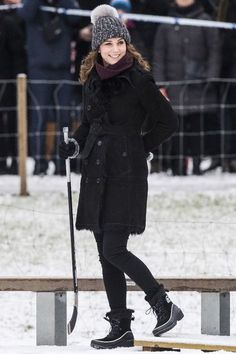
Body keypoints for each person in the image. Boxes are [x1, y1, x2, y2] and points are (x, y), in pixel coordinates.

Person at [59, 4, 183, 350]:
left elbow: (168, 122)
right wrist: (74, 146)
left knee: (114, 247)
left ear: (127, 43)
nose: (115, 49)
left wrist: (139, 145)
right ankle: (121, 326)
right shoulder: (93, 79)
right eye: (108, 43)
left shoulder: (139, 80)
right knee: (104, 252)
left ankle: (163, 303)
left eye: (120, 42)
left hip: (126, 172)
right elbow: (90, 123)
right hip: (97, 170)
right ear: (97, 47)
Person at [153, 0, 221, 175]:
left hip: (200, 85)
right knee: (176, 130)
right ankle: (177, 167)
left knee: (198, 129)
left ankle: (198, 166)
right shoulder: (166, 25)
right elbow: (158, 56)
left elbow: (215, 51)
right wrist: (160, 84)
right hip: (174, 87)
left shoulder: (205, 20)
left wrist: (211, 78)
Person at [18, 0, 80, 175]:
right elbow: (25, 14)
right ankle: (39, 164)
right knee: (39, 117)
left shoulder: (65, 4)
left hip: (63, 69)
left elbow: (75, 17)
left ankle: (62, 164)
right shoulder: (33, 5)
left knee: (65, 119)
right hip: (39, 70)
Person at [0, 0, 26, 174]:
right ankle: (3, 161)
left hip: (9, 79)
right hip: (8, 78)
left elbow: (18, 53)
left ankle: (16, 161)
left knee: (13, 120)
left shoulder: (9, 22)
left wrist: (17, 78)